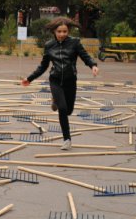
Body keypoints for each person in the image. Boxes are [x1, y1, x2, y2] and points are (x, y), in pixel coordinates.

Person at [21, 16, 99, 150]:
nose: (62, 34)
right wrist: (30, 78)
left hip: (70, 80)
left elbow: (85, 56)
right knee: (62, 109)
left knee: (68, 110)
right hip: (55, 80)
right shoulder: (49, 45)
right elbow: (43, 66)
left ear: (68, 31)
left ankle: (55, 101)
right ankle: (67, 139)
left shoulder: (75, 43)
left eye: (65, 31)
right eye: (59, 31)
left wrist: (93, 65)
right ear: (54, 32)